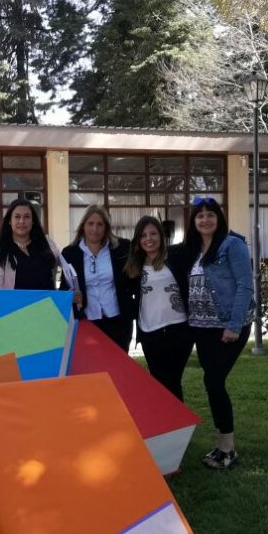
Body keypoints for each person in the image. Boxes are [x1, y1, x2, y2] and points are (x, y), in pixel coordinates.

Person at [183, 197, 255, 470]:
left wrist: (234, 325)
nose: (205, 220)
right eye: (199, 216)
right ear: (193, 221)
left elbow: (245, 286)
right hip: (201, 329)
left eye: (210, 214)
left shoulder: (231, 244)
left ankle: (227, 449)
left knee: (214, 382)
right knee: (212, 382)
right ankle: (222, 445)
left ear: (219, 218)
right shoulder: (193, 250)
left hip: (227, 327)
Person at [124, 215, 190, 399]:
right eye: (143, 235)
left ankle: (178, 423)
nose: (149, 239)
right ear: (138, 240)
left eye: (153, 234)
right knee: (159, 382)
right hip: (150, 332)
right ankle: (171, 423)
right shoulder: (134, 267)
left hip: (178, 329)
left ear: (161, 236)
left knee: (173, 380)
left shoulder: (176, 258)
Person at [60, 205, 135, 351]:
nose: (95, 229)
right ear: (83, 226)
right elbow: (65, 286)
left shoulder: (122, 248)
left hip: (118, 321)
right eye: (90, 223)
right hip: (87, 320)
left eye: (100, 224)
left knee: (118, 367)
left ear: (106, 227)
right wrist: (72, 295)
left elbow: (133, 279)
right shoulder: (70, 253)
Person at [0, 198, 59, 290]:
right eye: (17, 217)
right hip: (17, 304)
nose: (22, 221)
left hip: (48, 303)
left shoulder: (47, 243)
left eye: (27, 217)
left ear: (33, 221)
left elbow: (65, 267)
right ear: (9, 221)